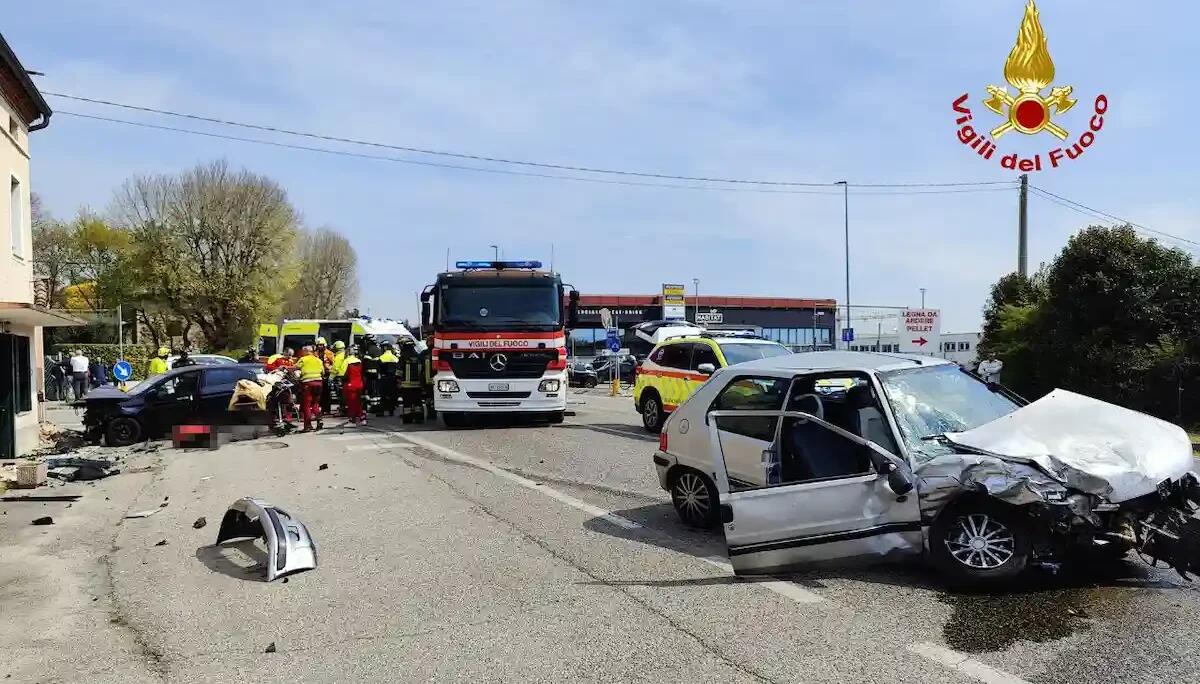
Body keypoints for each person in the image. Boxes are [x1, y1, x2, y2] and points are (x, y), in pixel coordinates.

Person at [295, 345, 325, 432]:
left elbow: (295, 368)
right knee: (315, 404)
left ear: (305, 351)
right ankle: (319, 419)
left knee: (306, 405)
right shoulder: (318, 360)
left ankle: (308, 426)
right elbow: (322, 372)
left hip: (307, 383)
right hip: (319, 383)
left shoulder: (303, 359)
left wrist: (284, 368)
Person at [341, 345, 366, 425]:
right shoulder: (359, 361)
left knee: (351, 402)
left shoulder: (346, 361)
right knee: (358, 401)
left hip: (350, 384)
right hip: (359, 384)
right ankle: (361, 416)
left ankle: (353, 417)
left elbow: (342, 373)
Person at [376, 343, 399, 416]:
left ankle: (381, 411)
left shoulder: (382, 357)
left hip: (384, 378)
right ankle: (391, 410)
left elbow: (378, 369)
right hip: (393, 379)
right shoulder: (395, 358)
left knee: (383, 395)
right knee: (392, 395)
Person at [314, 337, 335, 415]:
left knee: (327, 392)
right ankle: (321, 408)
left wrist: (329, 369)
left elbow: (334, 363)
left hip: (327, 374)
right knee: (320, 393)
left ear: (324, 345)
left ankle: (327, 409)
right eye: (318, 345)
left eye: (321, 345)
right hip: (318, 374)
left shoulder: (329, 353)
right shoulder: (315, 353)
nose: (320, 346)